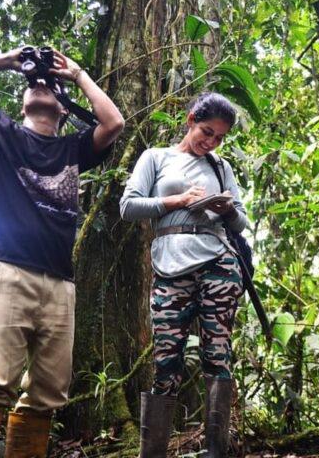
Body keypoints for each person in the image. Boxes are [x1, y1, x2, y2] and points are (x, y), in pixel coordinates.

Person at [0, 48, 124, 457]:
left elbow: (114, 123)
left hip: (59, 284)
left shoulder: (73, 149)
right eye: (33, 83)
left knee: (49, 393)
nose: (41, 86)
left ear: (63, 108)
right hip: (7, 272)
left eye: (50, 86)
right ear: (22, 100)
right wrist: (8, 60)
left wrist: (76, 74)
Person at [120, 92, 248, 458]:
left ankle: (215, 451)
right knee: (166, 360)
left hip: (218, 263)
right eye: (207, 132)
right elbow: (128, 206)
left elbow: (240, 221)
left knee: (217, 354)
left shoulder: (220, 167)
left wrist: (224, 208)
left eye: (219, 138)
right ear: (191, 119)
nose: (211, 142)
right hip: (169, 267)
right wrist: (177, 201)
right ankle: (153, 452)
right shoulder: (156, 157)